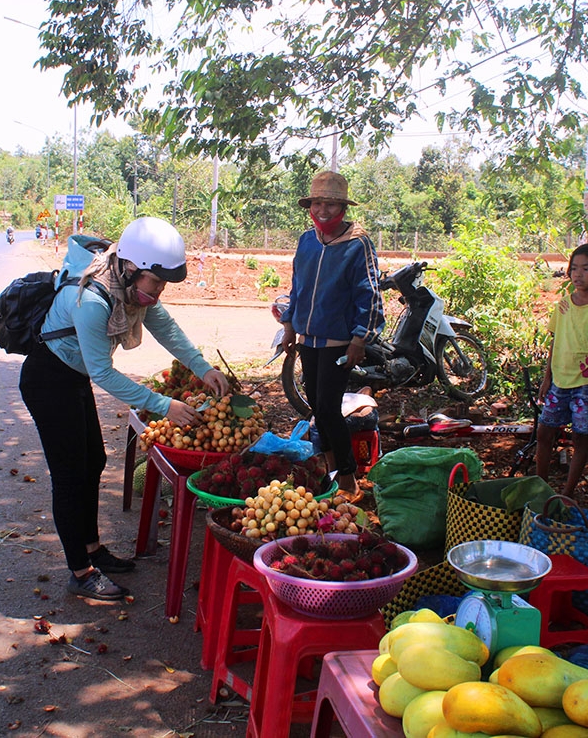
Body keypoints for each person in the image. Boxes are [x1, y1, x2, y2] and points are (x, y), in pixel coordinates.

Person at [19, 217, 229, 601]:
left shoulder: (129, 288)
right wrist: (163, 404)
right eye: (157, 283)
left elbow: (165, 327)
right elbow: (102, 371)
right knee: (69, 476)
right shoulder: (93, 299)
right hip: (49, 381)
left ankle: (92, 548)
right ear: (131, 268)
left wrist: (203, 368)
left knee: (94, 461)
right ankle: (80, 573)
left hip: (72, 377)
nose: (159, 292)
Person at [279, 171, 384, 500]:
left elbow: (370, 293)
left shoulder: (357, 244)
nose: (323, 210)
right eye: (318, 204)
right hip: (308, 339)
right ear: (311, 206)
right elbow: (298, 287)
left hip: (339, 343)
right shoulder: (307, 241)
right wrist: (289, 325)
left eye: (331, 204)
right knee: (316, 407)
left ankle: (349, 476)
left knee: (327, 407)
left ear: (342, 207)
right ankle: (330, 467)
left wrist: (359, 339)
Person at [535, 243, 588, 496]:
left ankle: (568, 492)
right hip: (559, 381)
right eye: (574, 268)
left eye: (586, 268)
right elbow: (555, 342)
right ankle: (540, 488)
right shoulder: (563, 306)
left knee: (580, 437)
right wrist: (546, 378)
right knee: (544, 432)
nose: (578, 274)